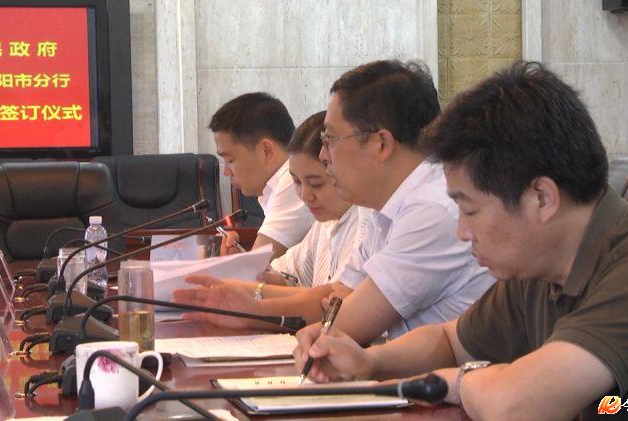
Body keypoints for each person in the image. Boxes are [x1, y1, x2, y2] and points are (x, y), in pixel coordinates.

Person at [292, 62, 628, 420]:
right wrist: (369, 361)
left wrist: (457, 383)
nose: (461, 231)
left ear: (541, 197)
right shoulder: (541, 265)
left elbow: (515, 403)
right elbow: (450, 341)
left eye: (470, 210)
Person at [174, 60, 494, 344]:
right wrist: (246, 301)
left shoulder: (432, 209)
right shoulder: (385, 207)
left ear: (381, 143)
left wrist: (253, 310)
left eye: (330, 139)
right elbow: (335, 296)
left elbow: (347, 322)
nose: (324, 156)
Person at [185, 111, 370, 303]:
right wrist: (247, 268)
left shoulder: (365, 225)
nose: (305, 196)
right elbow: (288, 276)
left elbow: (331, 304)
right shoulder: (324, 224)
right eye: (297, 182)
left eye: (316, 184)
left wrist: (252, 290)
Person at [209, 92, 314, 259]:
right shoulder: (277, 184)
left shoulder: (293, 182)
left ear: (266, 151)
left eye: (230, 160)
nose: (225, 171)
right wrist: (238, 257)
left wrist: (237, 263)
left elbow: (255, 267)